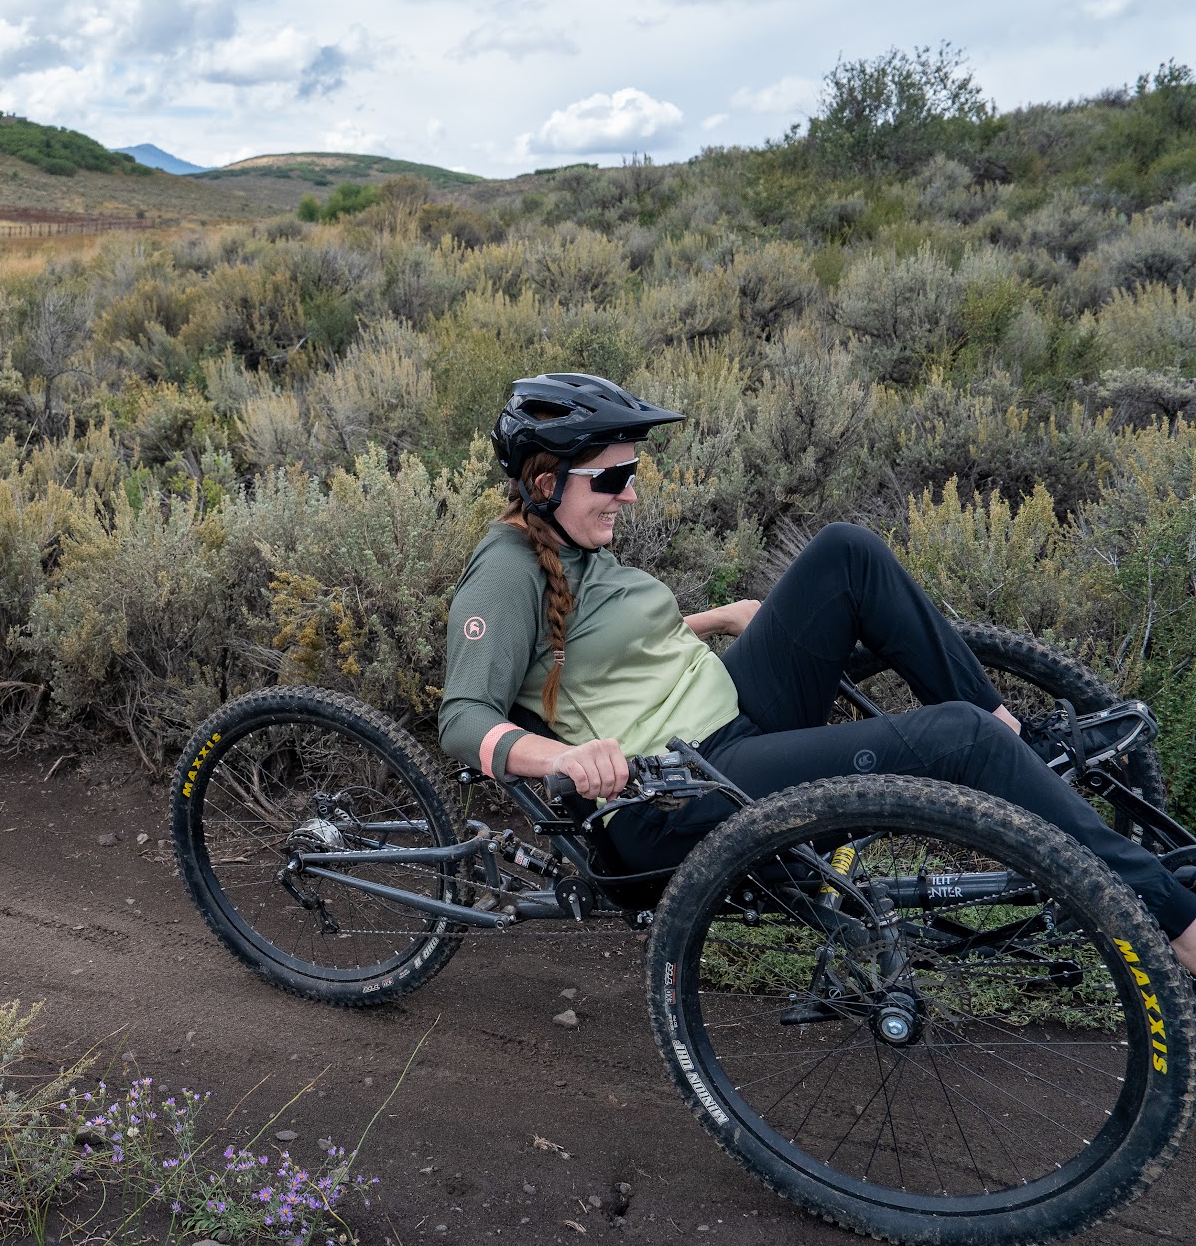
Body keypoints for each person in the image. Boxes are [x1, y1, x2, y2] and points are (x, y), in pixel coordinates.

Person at [437, 372, 1196, 973]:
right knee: (955, 742)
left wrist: (711, 618)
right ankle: (1176, 923)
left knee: (845, 552)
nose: (629, 492)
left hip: (731, 717)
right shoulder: (505, 571)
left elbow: (589, 647)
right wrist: (567, 757)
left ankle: (1019, 744)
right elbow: (463, 717)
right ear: (546, 483)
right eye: (611, 478)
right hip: (679, 792)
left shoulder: (570, 541)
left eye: (630, 472)